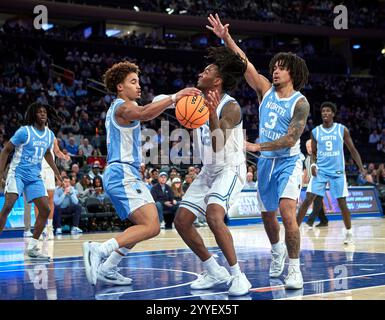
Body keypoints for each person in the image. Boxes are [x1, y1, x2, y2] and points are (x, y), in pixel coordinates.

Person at [207, 14, 309, 289]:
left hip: (288, 161)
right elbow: (244, 62)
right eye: (274, 67)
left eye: (281, 68)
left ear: (293, 73)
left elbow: (290, 139)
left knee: (288, 213)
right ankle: (277, 251)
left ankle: (295, 269)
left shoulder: (301, 103)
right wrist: (225, 37)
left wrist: (256, 145)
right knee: (268, 215)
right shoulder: (265, 89)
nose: (275, 71)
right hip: (266, 164)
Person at [82, 60, 201, 286]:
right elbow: (146, 112)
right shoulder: (122, 107)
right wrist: (176, 97)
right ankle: (98, 250)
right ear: (119, 86)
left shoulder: (123, 108)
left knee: (143, 227)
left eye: (139, 81)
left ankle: (108, 268)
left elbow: (150, 107)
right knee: (151, 226)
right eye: (133, 82)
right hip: (122, 173)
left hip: (125, 173)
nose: (139, 86)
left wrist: (173, 101)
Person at [174, 46, 251, 296]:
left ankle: (238, 276)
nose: (201, 72)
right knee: (182, 221)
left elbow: (218, 145)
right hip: (209, 169)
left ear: (217, 80)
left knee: (214, 215)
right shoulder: (194, 99)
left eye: (207, 70)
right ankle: (213, 269)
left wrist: (210, 115)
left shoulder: (231, 107)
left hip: (230, 167)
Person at [296, 102, 365, 244]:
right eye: (323, 111)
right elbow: (313, 152)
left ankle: (349, 233)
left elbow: (352, 149)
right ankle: (293, 232)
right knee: (308, 199)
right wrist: (313, 164)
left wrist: (361, 167)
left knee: (342, 202)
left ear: (333, 113)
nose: (325, 113)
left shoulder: (342, 130)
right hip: (320, 171)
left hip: (337, 172)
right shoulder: (315, 132)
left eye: (328, 111)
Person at [0, 102, 62, 260]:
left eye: (45, 112)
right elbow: (6, 150)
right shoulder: (24, 132)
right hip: (18, 173)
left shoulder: (49, 135)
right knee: (8, 206)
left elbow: (48, 154)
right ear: (34, 114)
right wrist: (1, 172)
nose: (43, 114)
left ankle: (33, 248)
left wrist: (57, 173)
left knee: (46, 210)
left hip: (34, 176)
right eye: (40, 112)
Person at [24, 136, 70, 240]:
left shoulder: (52, 136)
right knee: (38, 200)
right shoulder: (32, 135)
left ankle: (49, 228)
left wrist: (63, 156)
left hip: (49, 169)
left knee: (50, 199)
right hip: (37, 169)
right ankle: (39, 229)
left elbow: (57, 151)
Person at [302, 139, 328, 228]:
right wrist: (303, 181)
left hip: (320, 181)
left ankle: (310, 221)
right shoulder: (306, 159)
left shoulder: (320, 156)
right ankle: (324, 221)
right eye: (307, 147)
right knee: (318, 201)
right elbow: (305, 171)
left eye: (310, 146)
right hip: (311, 183)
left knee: (316, 201)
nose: (309, 148)